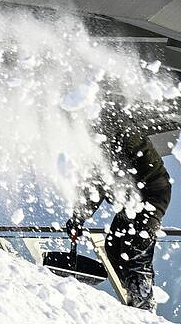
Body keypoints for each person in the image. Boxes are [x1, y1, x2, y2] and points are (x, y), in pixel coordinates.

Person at [64, 122, 173, 310]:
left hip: (152, 194)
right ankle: (133, 296)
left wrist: (79, 216)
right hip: (129, 201)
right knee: (113, 246)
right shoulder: (100, 142)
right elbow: (97, 184)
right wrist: (78, 217)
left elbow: (102, 178)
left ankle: (143, 304)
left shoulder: (122, 131)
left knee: (136, 250)